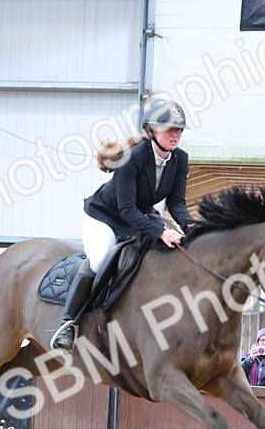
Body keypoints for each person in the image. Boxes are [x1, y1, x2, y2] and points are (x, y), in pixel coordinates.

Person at [52, 97, 194, 351]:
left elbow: (177, 204)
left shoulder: (180, 159)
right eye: (169, 129)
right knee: (99, 260)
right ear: (152, 131)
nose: (176, 134)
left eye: (179, 129)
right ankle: (69, 324)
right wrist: (161, 231)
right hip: (105, 217)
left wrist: (191, 227)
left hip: (140, 216)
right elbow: (125, 209)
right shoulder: (132, 157)